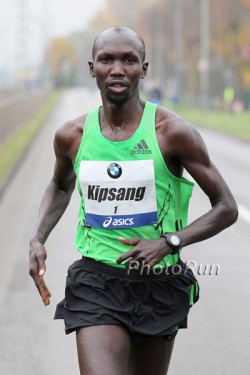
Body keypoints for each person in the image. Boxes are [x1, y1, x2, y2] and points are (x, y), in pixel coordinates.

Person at [29, 26, 238, 375]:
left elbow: (226, 207)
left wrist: (169, 243)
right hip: (96, 282)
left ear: (144, 69)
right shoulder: (72, 136)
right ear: (91, 67)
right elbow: (60, 186)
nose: (117, 69)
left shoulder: (172, 132)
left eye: (129, 60)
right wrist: (37, 236)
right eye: (106, 59)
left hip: (159, 282)